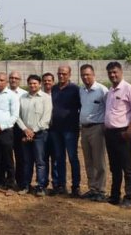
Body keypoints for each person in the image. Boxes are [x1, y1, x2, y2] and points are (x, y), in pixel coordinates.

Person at [104, 61, 131, 208]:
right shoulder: (110, 91)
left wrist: (129, 131)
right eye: (110, 73)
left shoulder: (129, 89)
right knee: (114, 166)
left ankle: (128, 196)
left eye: (115, 72)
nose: (113, 75)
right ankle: (115, 195)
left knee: (127, 166)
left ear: (121, 72)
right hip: (110, 134)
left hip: (123, 134)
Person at [17, 75, 52, 196]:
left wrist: (33, 131)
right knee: (27, 161)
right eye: (30, 83)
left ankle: (41, 186)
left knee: (40, 161)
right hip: (26, 133)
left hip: (40, 135)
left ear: (40, 84)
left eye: (35, 83)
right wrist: (25, 130)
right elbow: (17, 116)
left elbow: (46, 118)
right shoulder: (22, 98)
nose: (32, 85)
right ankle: (26, 185)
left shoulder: (46, 98)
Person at [49, 65, 82, 197]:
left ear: (69, 74)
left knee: (73, 158)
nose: (61, 76)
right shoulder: (54, 89)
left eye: (64, 74)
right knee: (59, 158)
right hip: (56, 129)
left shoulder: (75, 89)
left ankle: (75, 186)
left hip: (70, 130)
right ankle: (61, 185)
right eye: (59, 74)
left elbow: (81, 106)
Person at [78, 64, 109, 201]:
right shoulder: (81, 91)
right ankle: (92, 188)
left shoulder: (102, 90)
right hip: (84, 129)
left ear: (93, 75)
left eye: (87, 74)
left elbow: (109, 109)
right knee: (88, 160)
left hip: (97, 128)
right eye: (83, 75)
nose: (85, 77)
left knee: (99, 161)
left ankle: (101, 190)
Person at [8, 71, 27, 191]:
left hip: (20, 128)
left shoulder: (24, 94)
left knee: (21, 156)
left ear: (20, 80)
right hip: (6, 128)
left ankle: (20, 181)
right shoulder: (3, 92)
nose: (13, 80)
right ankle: (7, 180)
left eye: (16, 78)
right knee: (6, 155)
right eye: (11, 78)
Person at [41, 72, 56, 191]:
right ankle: (43, 182)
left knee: (56, 158)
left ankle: (56, 183)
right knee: (43, 157)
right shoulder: (39, 96)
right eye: (45, 81)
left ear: (53, 82)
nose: (47, 82)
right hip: (43, 131)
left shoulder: (57, 94)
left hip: (56, 130)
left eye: (49, 80)